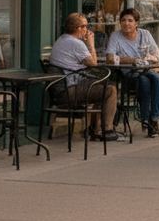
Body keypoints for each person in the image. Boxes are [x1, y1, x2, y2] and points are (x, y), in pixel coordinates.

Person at [49, 12, 118, 141]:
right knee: (111, 90)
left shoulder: (61, 39)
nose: (87, 29)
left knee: (101, 87)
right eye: (85, 26)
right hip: (70, 90)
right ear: (78, 28)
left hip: (60, 88)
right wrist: (91, 44)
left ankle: (94, 128)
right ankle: (107, 130)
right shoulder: (76, 43)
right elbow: (94, 64)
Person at [105, 7, 159, 137]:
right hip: (129, 75)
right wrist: (133, 60)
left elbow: (156, 55)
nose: (126, 23)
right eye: (123, 20)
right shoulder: (116, 36)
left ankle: (153, 119)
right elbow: (110, 58)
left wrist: (146, 60)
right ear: (120, 22)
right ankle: (146, 121)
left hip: (146, 69)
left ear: (136, 23)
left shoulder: (145, 34)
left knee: (158, 79)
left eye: (130, 20)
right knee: (144, 81)